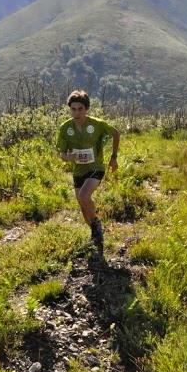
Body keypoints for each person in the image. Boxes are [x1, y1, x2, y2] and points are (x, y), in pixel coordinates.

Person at [55, 90, 120, 254]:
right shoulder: (65, 128)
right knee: (83, 206)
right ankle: (94, 230)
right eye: (73, 109)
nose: (77, 113)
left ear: (87, 109)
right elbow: (62, 153)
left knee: (84, 196)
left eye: (80, 109)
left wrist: (113, 157)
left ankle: (97, 224)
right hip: (78, 171)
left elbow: (116, 133)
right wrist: (68, 157)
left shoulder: (96, 124)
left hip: (95, 168)